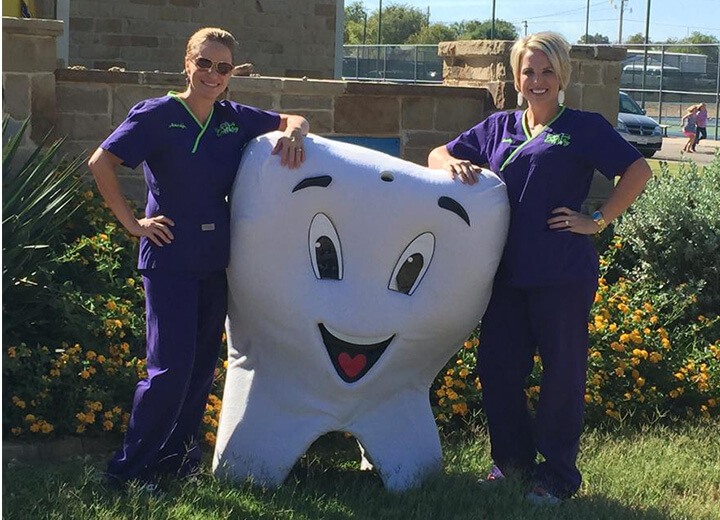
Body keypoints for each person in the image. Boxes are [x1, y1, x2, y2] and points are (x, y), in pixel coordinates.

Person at [428, 32, 651, 504]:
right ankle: (511, 464)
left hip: (561, 274)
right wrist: (453, 166)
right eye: (529, 71)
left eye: (547, 71)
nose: (537, 80)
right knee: (498, 368)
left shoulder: (585, 127)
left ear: (562, 75)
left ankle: (557, 476)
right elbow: (437, 154)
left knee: (561, 374)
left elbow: (637, 171)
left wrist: (597, 220)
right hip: (506, 274)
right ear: (516, 77)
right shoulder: (498, 127)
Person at [88, 27, 310, 489]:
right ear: (187, 63)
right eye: (204, 63)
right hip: (169, 257)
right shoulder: (155, 115)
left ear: (232, 74)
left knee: (201, 369)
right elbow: (100, 162)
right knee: (168, 369)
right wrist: (134, 224)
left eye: (222, 67)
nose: (212, 74)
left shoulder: (233, 117)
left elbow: (293, 117)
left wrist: (296, 132)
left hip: (214, 260)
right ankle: (128, 471)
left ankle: (174, 462)